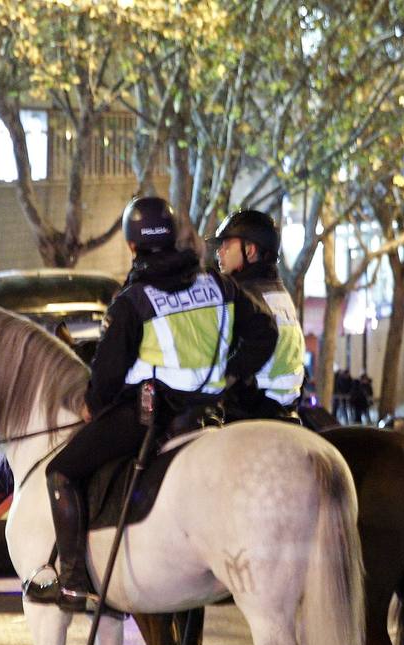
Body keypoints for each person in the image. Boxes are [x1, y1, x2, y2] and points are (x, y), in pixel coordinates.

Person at [40, 196, 279, 606]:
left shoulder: (133, 302)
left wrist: (92, 406)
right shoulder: (219, 285)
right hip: (211, 414)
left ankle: (73, 580)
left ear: (132, 246)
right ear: (173, 239)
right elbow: (265, 332)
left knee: (61, 471)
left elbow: (109, 375)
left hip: (151, 416)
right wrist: (229, 372)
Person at [205, 208, 305, 413]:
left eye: (226, 245)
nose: (219, 252)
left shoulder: (241, 296)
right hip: (287, 406)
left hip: (249, 408)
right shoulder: (279, 293)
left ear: (249, 250)